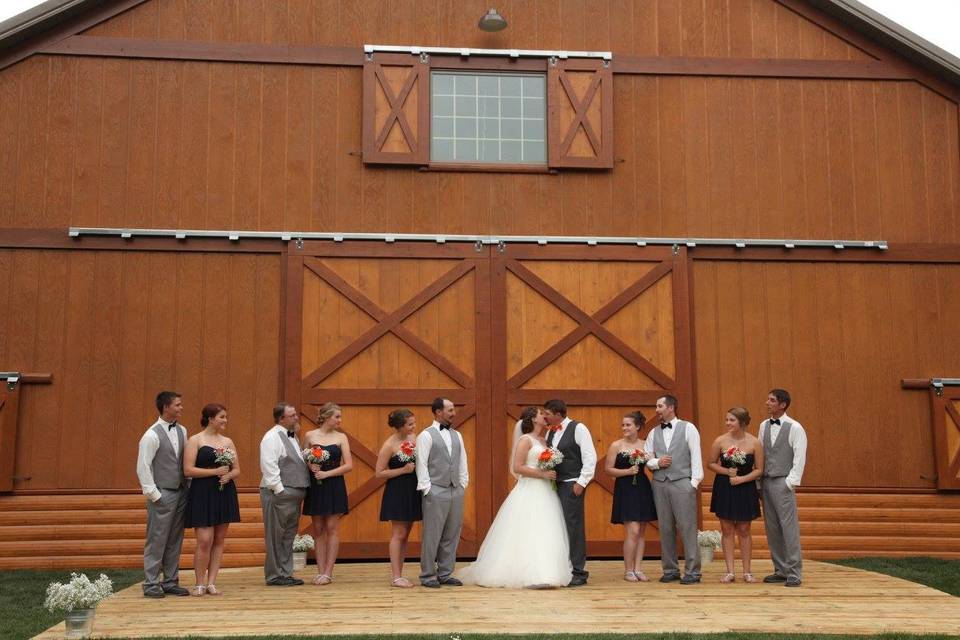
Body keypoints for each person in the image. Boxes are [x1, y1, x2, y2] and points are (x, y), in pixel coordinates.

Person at [458, 407, 572, 588]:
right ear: (534, 419)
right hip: (530, 489)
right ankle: (525, 574)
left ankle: (546, 573)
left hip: (546, 491)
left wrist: (549, 470)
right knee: (526, 528)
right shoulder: (525, 440)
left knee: (545, 529)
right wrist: (541, 474)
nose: (544, 416)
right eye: (541, 414)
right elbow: (517, 467)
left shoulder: (544, 440)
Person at [644, 394, 704, 584]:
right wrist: (657, 462)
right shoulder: (653, 432)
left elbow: (696, 456)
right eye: (657, 406)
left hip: (682, 482)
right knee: (665, 528)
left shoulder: (689, 428)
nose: (657, 409)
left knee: (687, 527)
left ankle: (693, 571)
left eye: (660, 406)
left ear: (671, 408)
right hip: (660, 483)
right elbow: (647, 457)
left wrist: (693, 483)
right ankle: (670, 569)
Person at [136, 391, 190, 598]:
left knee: (175, 538)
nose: (181, 408)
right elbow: (143, 466)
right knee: (156, 538)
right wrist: (154, 494)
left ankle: (170, 580)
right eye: (177, 404)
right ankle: (150, 583)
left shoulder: (182, 430)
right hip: (162, 493)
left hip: (181, 492)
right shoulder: (151, 435)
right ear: (166, 407)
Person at [183, 403, 241, 596]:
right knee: (204, 540)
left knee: (219, 539)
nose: (225, 420)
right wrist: (214, 472)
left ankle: (212, 582)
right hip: (202, 492)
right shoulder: (195, 440)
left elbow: (237, 469)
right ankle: (199, 582)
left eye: (226, 417)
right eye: (222, 417)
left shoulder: (228, 442)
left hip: (224, 492)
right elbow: (188, 470)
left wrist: (228, 476)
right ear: (210, 418)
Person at [543, 399, 597, 587]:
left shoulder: (579, 428)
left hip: (571, 484)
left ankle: (579, 571)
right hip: (554, 486)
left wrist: (581, 482)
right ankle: (561, 567)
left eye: (547, 414)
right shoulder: (550, 431)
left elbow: (590, 457)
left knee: (573, 527)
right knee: (557, 527)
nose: (544, 417)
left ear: (558, 413)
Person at [416, 397, 468, 587]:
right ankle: (428, 575)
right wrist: (428, 489)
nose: (454, 413)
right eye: (450, 410)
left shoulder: (457, 435)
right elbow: (421, 463)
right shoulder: (426, 435)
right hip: (435, 490)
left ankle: (445, 573)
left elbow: (462, 461)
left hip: (456, 490)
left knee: (452, 533)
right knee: (432, 534)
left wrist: (462, 483)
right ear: (438, 412)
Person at [707, 407, 763, 584]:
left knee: (745, 529)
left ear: (742, 422)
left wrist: (742, 479)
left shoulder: (754, 443)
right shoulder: (720, 441)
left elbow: (760, 470)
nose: (727, 423)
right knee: (727, 528)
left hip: (745, 487)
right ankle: (730, 571)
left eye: (731, 420)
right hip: (725, 486)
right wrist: (726, 471)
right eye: (727, 420)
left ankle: (747, 571)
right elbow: (710, 463)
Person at [759, 389, 808, 587]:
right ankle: (780, 569)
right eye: (768, 399)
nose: (767, 403)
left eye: (771, 400)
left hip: (783, 480)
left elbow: (800, 456)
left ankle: (794, 571)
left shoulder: (795, 427)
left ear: (783, 404)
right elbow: (762, 452)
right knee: (772, 527)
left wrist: (790, 481)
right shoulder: (763, 425)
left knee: (788, 527)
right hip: (766, 481)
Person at [302, 402, 352, 586]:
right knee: (318, 529)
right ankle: (320, 570)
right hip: (315, 485)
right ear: (326, 417)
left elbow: (348, 465)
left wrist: (327, 473)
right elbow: (304, 457)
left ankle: (329, 572)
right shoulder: (310, 435)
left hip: (334, 484)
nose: (339, 420)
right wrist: (310, 465)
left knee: (332, 527)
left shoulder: (341, 437)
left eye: (340, 417)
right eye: (337, 416)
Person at [259, 403, 309, 586]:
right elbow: (269, 465)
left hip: (293, 495)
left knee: (288, 536)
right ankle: (274, 575)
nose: (296, 418)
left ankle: (286, 573)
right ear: (281, 419)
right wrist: (280, 490)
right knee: (275, 536)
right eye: (292, 415)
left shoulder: (293, 437)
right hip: (279, 494)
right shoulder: (272, 437)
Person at [604, 410, 657, 582]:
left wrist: (654, 460)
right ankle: (628, 570)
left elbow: (652, 465)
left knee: (641, 530)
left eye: (628, 425)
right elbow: (608, 469)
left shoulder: (645, 445)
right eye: (623, 425)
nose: (624, 428)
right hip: (625, 489)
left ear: (638, 427)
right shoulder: (616, 445)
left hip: (642, 487)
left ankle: (638, 568)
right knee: (632, 530)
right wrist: (627, 471)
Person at [375, 408, 421, 588]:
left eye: (413, 423)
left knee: (406, 533)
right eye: (410, 424)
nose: (413, 426)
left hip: (413, 488)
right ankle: (396, 576)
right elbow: (379, 473)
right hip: (398, 490)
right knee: (398, 533)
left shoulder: (414, 438)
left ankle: (400, 573)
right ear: (400, 426)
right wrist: (402, 470)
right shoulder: (389, 445)